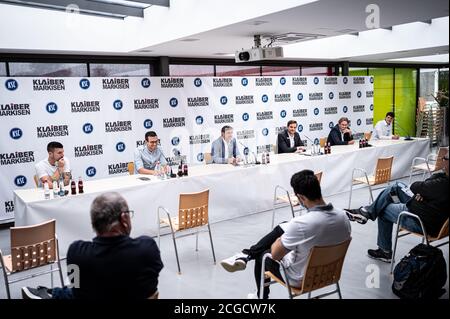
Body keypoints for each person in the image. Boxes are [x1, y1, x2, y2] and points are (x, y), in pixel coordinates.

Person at [220, 170, 351, 299]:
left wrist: (280, 239)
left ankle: (260, 296)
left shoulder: (301, 224)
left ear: (301, 197)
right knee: (285, 225)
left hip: (301, 279)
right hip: (329, 274)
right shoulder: (343, 217)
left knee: (264, 255)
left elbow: (276, 255)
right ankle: (245, 255)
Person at [22, 192, 163, 299]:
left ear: (94, 223)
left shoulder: (76, 253)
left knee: (70, 291)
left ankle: (50, 293)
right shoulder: (147, 248)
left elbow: (75, 288)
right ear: (124, 218)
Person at [346, 152, 449, 262]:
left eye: (445, 158)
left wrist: (424, 191)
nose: (442, 160)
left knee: (383, 209)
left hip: (420, 221)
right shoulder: (441, 184)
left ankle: (384, 251)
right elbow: (423, 188)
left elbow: (416, 186)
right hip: (433, 217)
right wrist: (424, 193)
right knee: (396, 187)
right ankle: (366, 212)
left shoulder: (442, 184)